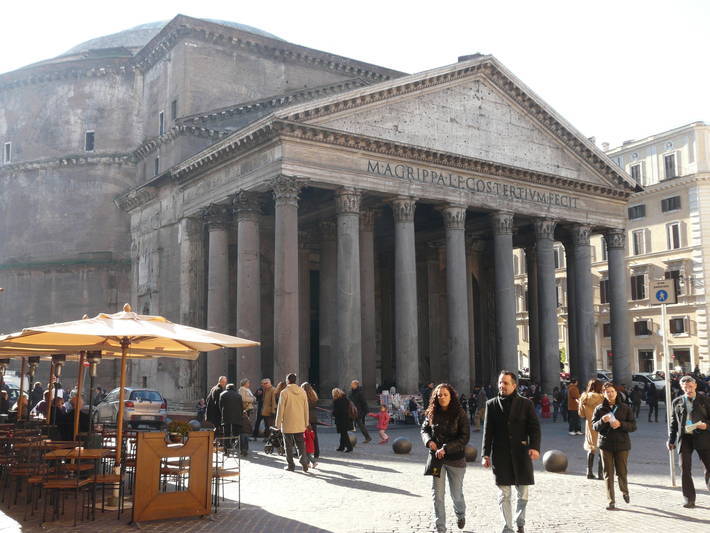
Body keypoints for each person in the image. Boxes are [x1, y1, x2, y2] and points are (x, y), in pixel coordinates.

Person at [482, 371, 541, 533]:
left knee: (523, 494)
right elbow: (488, 432)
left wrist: (534, 447)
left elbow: (534, 428)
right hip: (500, 455)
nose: (502, 385)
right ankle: (507, 528)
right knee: (504, 494)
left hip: (521, 454)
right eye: (500, 382)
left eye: (506, 383)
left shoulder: (526, 404)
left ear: (514, 385)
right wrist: (485, 454)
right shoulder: (491, 404)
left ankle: (519, 521)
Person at [420, 383, 469, 533]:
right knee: (438, 495)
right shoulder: (432, 412)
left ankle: (460, 514)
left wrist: (446, 448)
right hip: (437, 460)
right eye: (439, 395)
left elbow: (464, 437)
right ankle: (440, 528)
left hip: (456, 460)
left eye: (445, 395)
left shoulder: (460, 413)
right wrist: (429, 441)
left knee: (456, 494)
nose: (442, 397)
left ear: (451, 396)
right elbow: (424, 429)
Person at [666, 375, 710, 508]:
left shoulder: (705, 400)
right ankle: (689, 499)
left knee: (708, 468)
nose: (688, 390)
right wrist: (671, 439)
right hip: (685, 438)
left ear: (695, 386)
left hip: (703, 437)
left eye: (690, 387)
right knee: (684, 468)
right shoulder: (677, 402)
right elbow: (674, 423)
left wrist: (706, 426)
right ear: (681, 387)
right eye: (685, 387)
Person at [592, 382, 636, 510]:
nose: (610, 394)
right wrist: (602, 420)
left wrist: (621, 424)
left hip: (622, 444)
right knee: (608, 473)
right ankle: (611, 500)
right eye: (607, 392)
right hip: (606, 444)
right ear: (603, 394)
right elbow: (594, 426)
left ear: (616, 393)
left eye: (612, 391)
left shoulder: (625, 408)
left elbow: (633, 426)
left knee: (622, 472)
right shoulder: (599, 409)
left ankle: (624, 491)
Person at [275, 373, 310, 472]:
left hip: (288, 423)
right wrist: (306, 422)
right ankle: (304, 462)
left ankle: (291, 465)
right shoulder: (302, 391)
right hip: (300, 423)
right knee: (300, 444)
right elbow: (306, 408)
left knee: (288, 446)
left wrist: (278, 424)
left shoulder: (284, 392)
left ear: (288, 380)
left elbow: (280, 409)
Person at [578, 379, 604, 480]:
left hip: (589, 424)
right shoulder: (602, 397)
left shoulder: (584, 397)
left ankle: (589, 472)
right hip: (601, 423)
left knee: (591, 448)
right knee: (601, 447)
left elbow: (581, 414)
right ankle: (601, 474)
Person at [219, 383, 243, 451]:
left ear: (227, 388)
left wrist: (222, 413)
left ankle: (226, 449)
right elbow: (241, 406)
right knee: (236, 432)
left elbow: (220, 406)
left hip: (226, 416)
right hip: (237, 417)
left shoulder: (222, 394)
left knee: (226, 433)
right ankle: (236, 446)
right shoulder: (238, 395)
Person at [301, 382, 320, 459]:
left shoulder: (303, 396)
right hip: (313, 418)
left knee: (304, 436)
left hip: (306, 418)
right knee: (314, 435)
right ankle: (316, 453)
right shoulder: (314, 396)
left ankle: (304, 452)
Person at [332, 388, 354, 452]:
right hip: (346, 418)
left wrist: (333, 413)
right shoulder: (345, 399)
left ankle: (349, 447)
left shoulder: (337, 401)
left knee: (344, 434)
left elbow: (338, 411)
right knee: (343, 433)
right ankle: (341, 447)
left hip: (341, 419)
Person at [238, 378, 256, 455]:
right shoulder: (242, 389)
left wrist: (253, 398)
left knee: (247, 424)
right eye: (248, 383)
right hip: (245, 409)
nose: (249, 384)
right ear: (245, 383)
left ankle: (246, 439)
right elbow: (243, 398)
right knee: (245, 425)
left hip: (248, 408)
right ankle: (244, 444)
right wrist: (252, 399)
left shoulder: (247, 389)